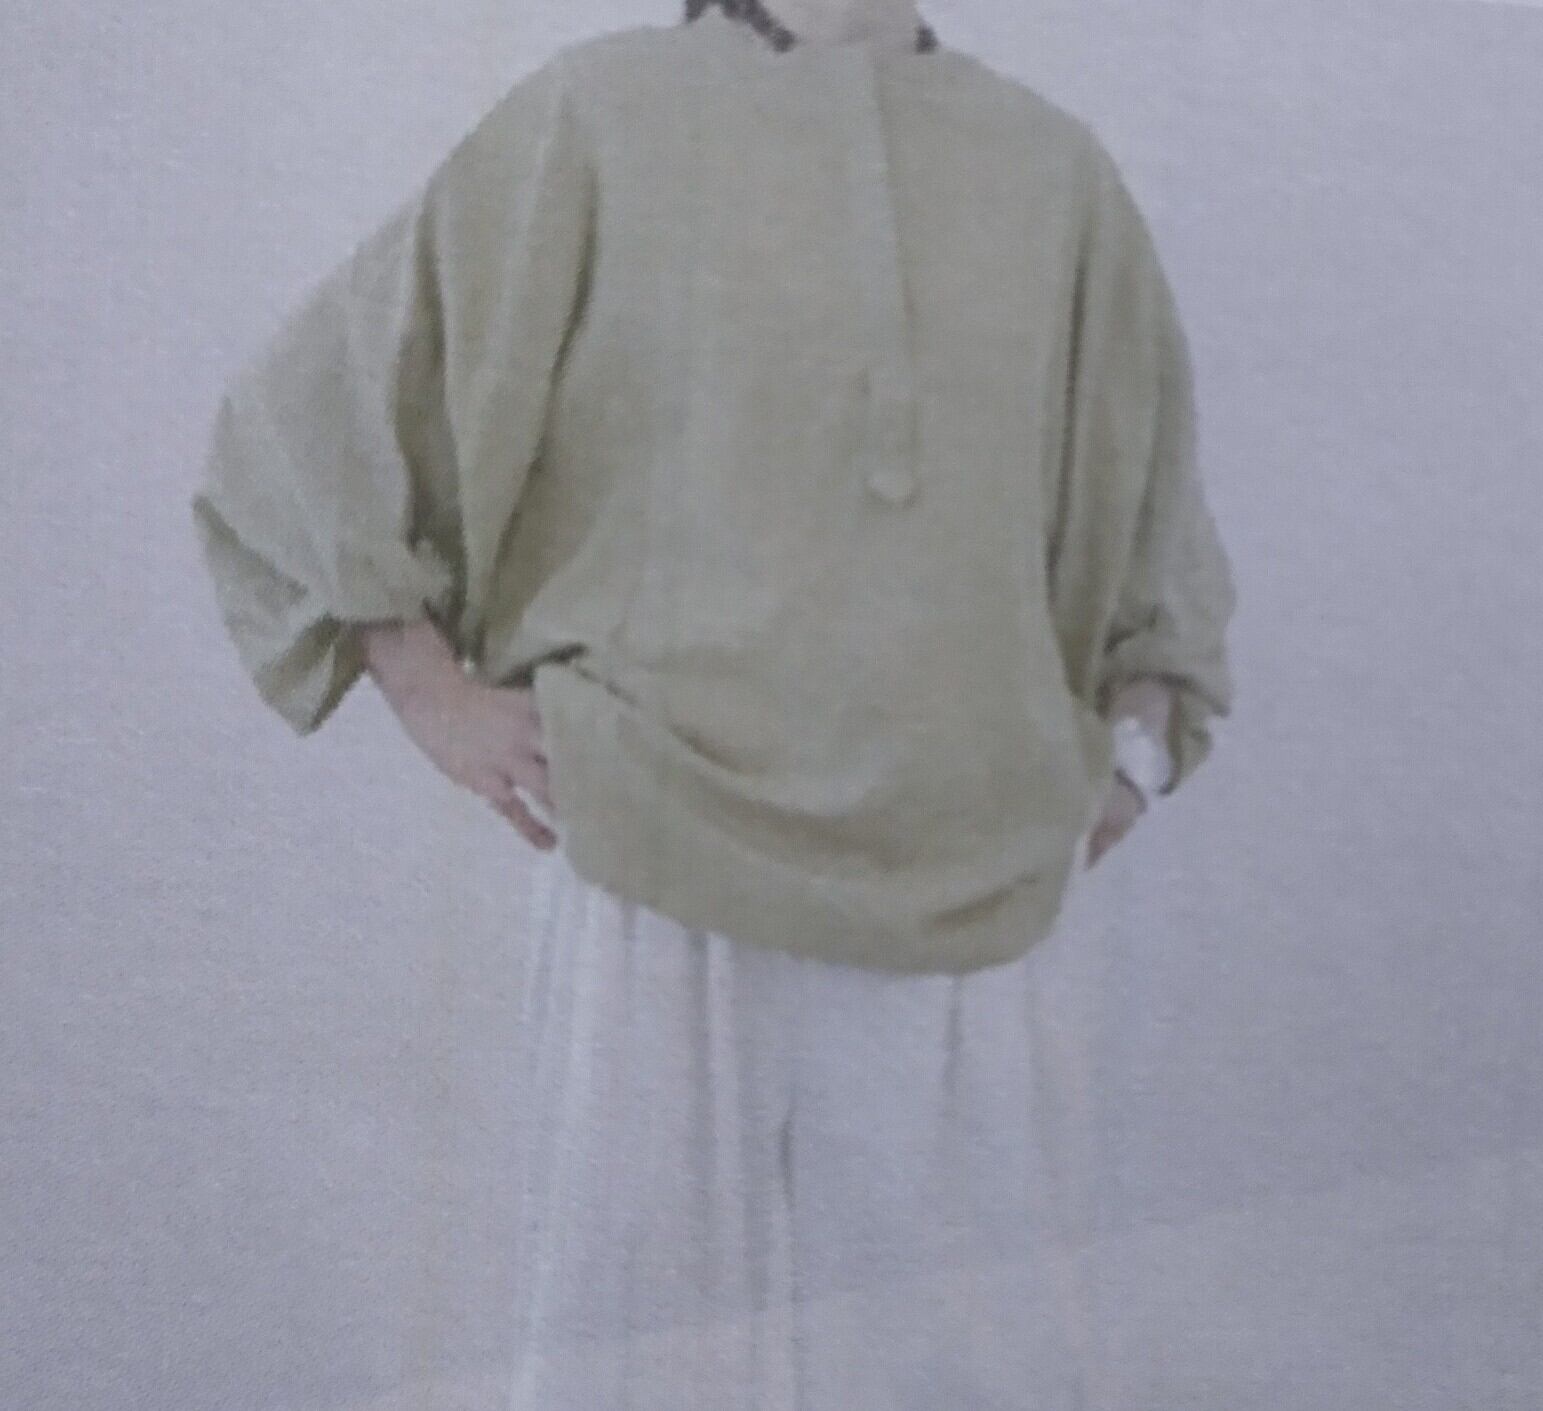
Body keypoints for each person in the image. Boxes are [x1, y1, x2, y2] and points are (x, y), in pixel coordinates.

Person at [190, 1, 1236, 1403]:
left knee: (961, 1371)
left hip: (971, 894)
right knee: (641, 1367)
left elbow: (1154, 523)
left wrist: (1132, 755)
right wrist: (429, 689)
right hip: (655, 860)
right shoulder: (600, 116)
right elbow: (313, 414)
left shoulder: (1053, 173)